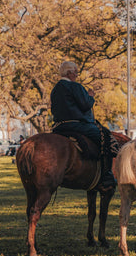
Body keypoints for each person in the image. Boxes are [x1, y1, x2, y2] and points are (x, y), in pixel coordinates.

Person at [50, 60, 116, 188]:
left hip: (59, 127)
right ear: (69, 73)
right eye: (76, 72)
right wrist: (90, 96)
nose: (76, 75)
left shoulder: (55, 89)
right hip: (77, 125)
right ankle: (107, 175)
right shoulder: (75, 86)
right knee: (106, 137)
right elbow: (86, 105)